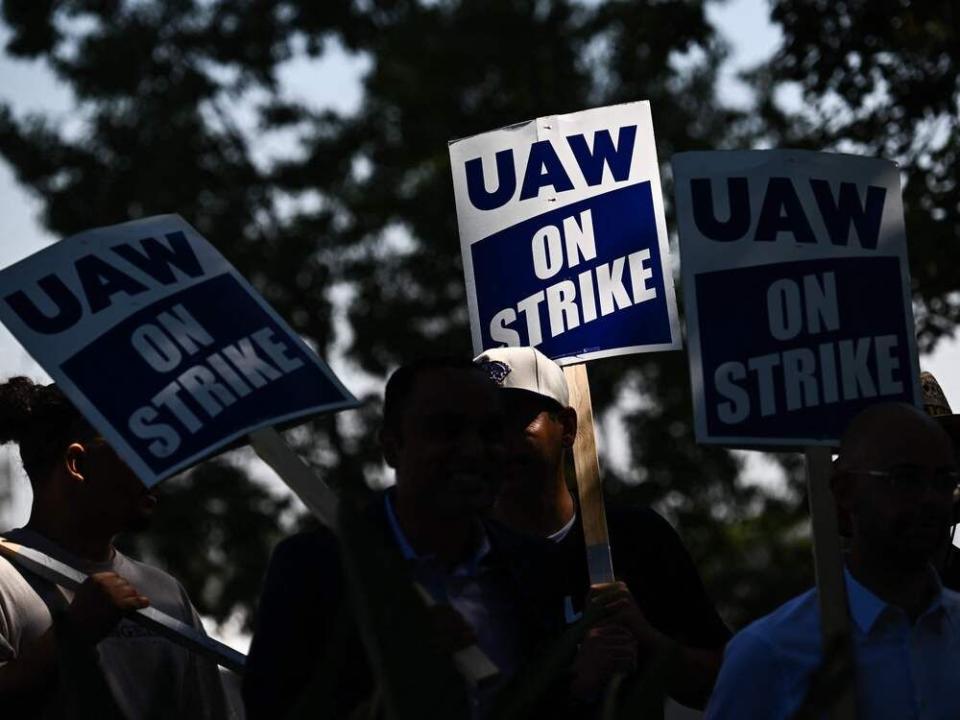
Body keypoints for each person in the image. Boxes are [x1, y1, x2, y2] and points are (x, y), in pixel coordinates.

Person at [242, 357, 565, 720]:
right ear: (392, 446)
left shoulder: (538, 567)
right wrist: (401, 672)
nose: (474, 450)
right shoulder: (315, 569)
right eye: (446, 430)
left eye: (491, 432)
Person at [473, 346, 730, 708]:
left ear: (567, 427)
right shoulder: (460, 556)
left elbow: (726, 682)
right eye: (485, 429)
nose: (500, 444)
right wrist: (576, 683)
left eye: (518, 421)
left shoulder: (638, 538)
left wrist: (648, 641)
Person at [706, 402, 960, 719]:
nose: (930, 498)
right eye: (905, 478)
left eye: (945, 478)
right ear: (845, 491)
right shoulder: (769, 654)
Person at [0, 377, 230, 718]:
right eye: (136, 448)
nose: (155, 465)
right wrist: (71, 636)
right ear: (77, 464)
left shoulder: (166, 594)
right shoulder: (5, 579)